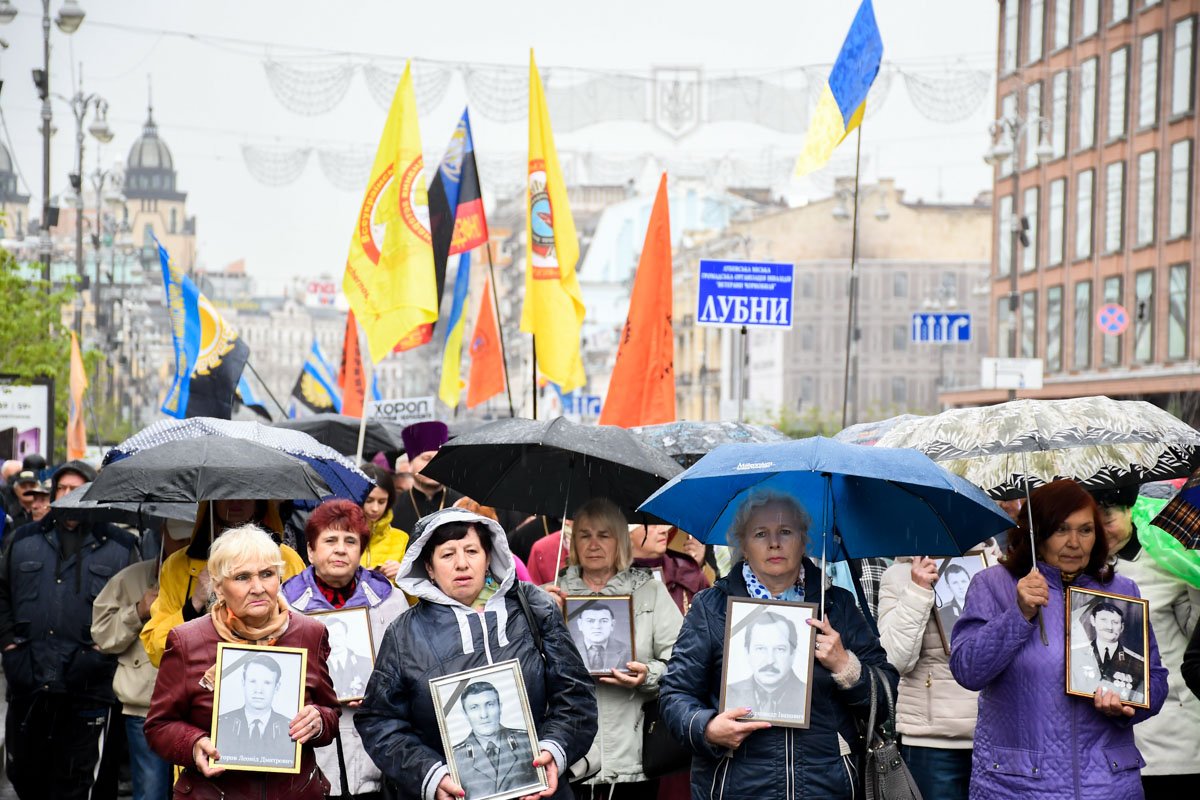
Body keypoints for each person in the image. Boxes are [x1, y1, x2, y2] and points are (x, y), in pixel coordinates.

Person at [659, 489, 897, 799]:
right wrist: (706, 728)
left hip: (826, 786)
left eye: (786, 531)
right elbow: (675, 693)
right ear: (743, 543)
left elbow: (886, 696)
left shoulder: (837, 605)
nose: (774, 543)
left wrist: (845, 665)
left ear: (804, 539)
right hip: (737, 786)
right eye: (761, 533)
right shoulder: (711, 608)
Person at [355, 507, 597, 800]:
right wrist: (431, 776)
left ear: (488, 557)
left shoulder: (533, 607)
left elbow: (576, 696)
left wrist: (553, 750)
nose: (461, 564)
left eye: (472, 551)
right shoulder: (405, 632)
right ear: (428, 567)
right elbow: (379, 721)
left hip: (537, 790)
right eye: (447, 554)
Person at [950, 479, 1168, 798]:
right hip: (1019, 785)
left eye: (1085, 530)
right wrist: (1019, 613)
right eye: (1061, 530)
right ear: (1036, 534)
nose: (1074, 542)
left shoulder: (1122, 591)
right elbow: (968, 670)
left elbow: (1156, 682)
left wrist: (1127, 706)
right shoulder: (993, 585)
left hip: (1107, 784)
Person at [144, 525, 340, 798]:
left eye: (267, 574)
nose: (258, 588)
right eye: (242, 577)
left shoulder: (310, 633)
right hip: (214, 792)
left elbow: (330, 711)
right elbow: (159, 725)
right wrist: (193, 743)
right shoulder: (187, 640)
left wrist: (319, 720)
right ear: (218, 587)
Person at [0, 460, 140, 800]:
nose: (69, 496)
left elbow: (133, 611)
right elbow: (2, 593)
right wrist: (9, 647)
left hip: (87, 690)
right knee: (23, 774)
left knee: (77, 784)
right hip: (29, 685)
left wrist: (98, 656)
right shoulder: (24, 540)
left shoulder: (120, 547)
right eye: (62, 489)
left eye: (77, 489)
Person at [543, 498, 682, 796]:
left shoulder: (650, 592)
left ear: (620, 542)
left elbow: (681, 663)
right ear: (574, 543)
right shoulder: (551, 595)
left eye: (603, 535)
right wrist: (540, 611)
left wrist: (648, 675)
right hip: (570, 757)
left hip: (634, 757)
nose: (594, 544)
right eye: (585, 535)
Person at [281, 498, 409, 799]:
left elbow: (407, 672)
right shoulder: (283, 604)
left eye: (350, 540)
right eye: (330, 540)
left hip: (373, 749)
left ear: (361, 550)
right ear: (310, 550)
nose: (341, 549)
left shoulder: (390, 600)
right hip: (309, 751)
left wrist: (380, 691)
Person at [1093, 484, 1200, 795]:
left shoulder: (1166, 558)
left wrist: (1194, 575)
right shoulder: (1079, 568)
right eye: (1091, 523)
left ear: (1130, 510)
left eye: (1108, 518)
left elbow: (1193, 635)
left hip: (1172, 731)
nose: (1101, 531)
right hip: (1104, 739)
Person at [877, 543, 1001, 800]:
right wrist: (917, 590)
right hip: (931, 740)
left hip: (995, 734)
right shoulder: (899, 574)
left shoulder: (1000, 567)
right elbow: (894, 660)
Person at [91, 517, 192, 800]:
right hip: (145, 705)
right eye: (178, 538)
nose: (184, 546)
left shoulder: (215, 577)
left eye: (189, 539)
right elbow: (101, 634)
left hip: (198, 707)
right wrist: (137, 611)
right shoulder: (131, 578)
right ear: (163, 534)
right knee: (151, 791)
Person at [140, 499, 305, 666]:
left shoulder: (287, 559)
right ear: (210, 501)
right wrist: (194, 604)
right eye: (224, 494)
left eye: (244, 493)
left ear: (259, 500)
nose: (234, 501)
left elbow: (304, 639)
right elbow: (156, 651)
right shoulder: (177, 565)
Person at [453, 681, 541, 796]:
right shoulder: (455, 758)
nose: (483, 715)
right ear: (465, 714)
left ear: (500, 707)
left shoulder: (527, 742)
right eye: (474, 708)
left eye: (490, 704)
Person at [214, 653, 298, 765]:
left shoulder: (290, 728)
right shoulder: (222, 724)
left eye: (267, 683)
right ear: (243, 683)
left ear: (276, 687)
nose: (259, 690)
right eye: (253, 681)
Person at [390, 421, 462, 536]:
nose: (434, 464)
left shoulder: (462, 504)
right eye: (426, 458)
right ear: (410, 464)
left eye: (439, 457)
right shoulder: (393, 509)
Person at [1070, 600, 1146, 703]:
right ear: (1093, 620)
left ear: (1122, 627)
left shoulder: (1138, 663)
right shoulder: (1074, 655)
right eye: (1103, 620)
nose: (1109, 627)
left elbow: (1139, 700)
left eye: (1115, 622)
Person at [630, 523, 709, 614]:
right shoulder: (614, 576)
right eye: (652, 524)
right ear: (628, 533)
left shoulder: (688, 571)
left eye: (662, 523)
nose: (663, 530)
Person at [359, 464, 409, 582]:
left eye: (382, 501)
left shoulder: (401, 538)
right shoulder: (340, 536)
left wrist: (403, 575)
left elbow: (413, 599)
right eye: (369, 500)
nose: (375, 508)